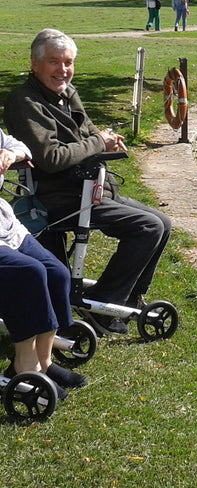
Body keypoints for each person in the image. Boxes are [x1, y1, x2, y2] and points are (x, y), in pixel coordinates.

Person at [3, 29, 172, 335]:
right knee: (148, 227)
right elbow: (51, 158)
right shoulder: (24, 101)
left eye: (68, 62)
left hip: (88, 190)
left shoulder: (66, 92)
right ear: (35, 63)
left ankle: (127, 294)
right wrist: (98, 143)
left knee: (162, 222)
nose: (63, 70)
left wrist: (104, 141)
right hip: (55, 197)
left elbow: (89, 134)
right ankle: (103, 304)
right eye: (54, 62)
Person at [0, 128, 85, 399]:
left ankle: (44, 361)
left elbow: (22, 145)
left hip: (4, 225)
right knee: (29, 273)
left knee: (56, 271)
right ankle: (25, 367)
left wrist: (11, 153)